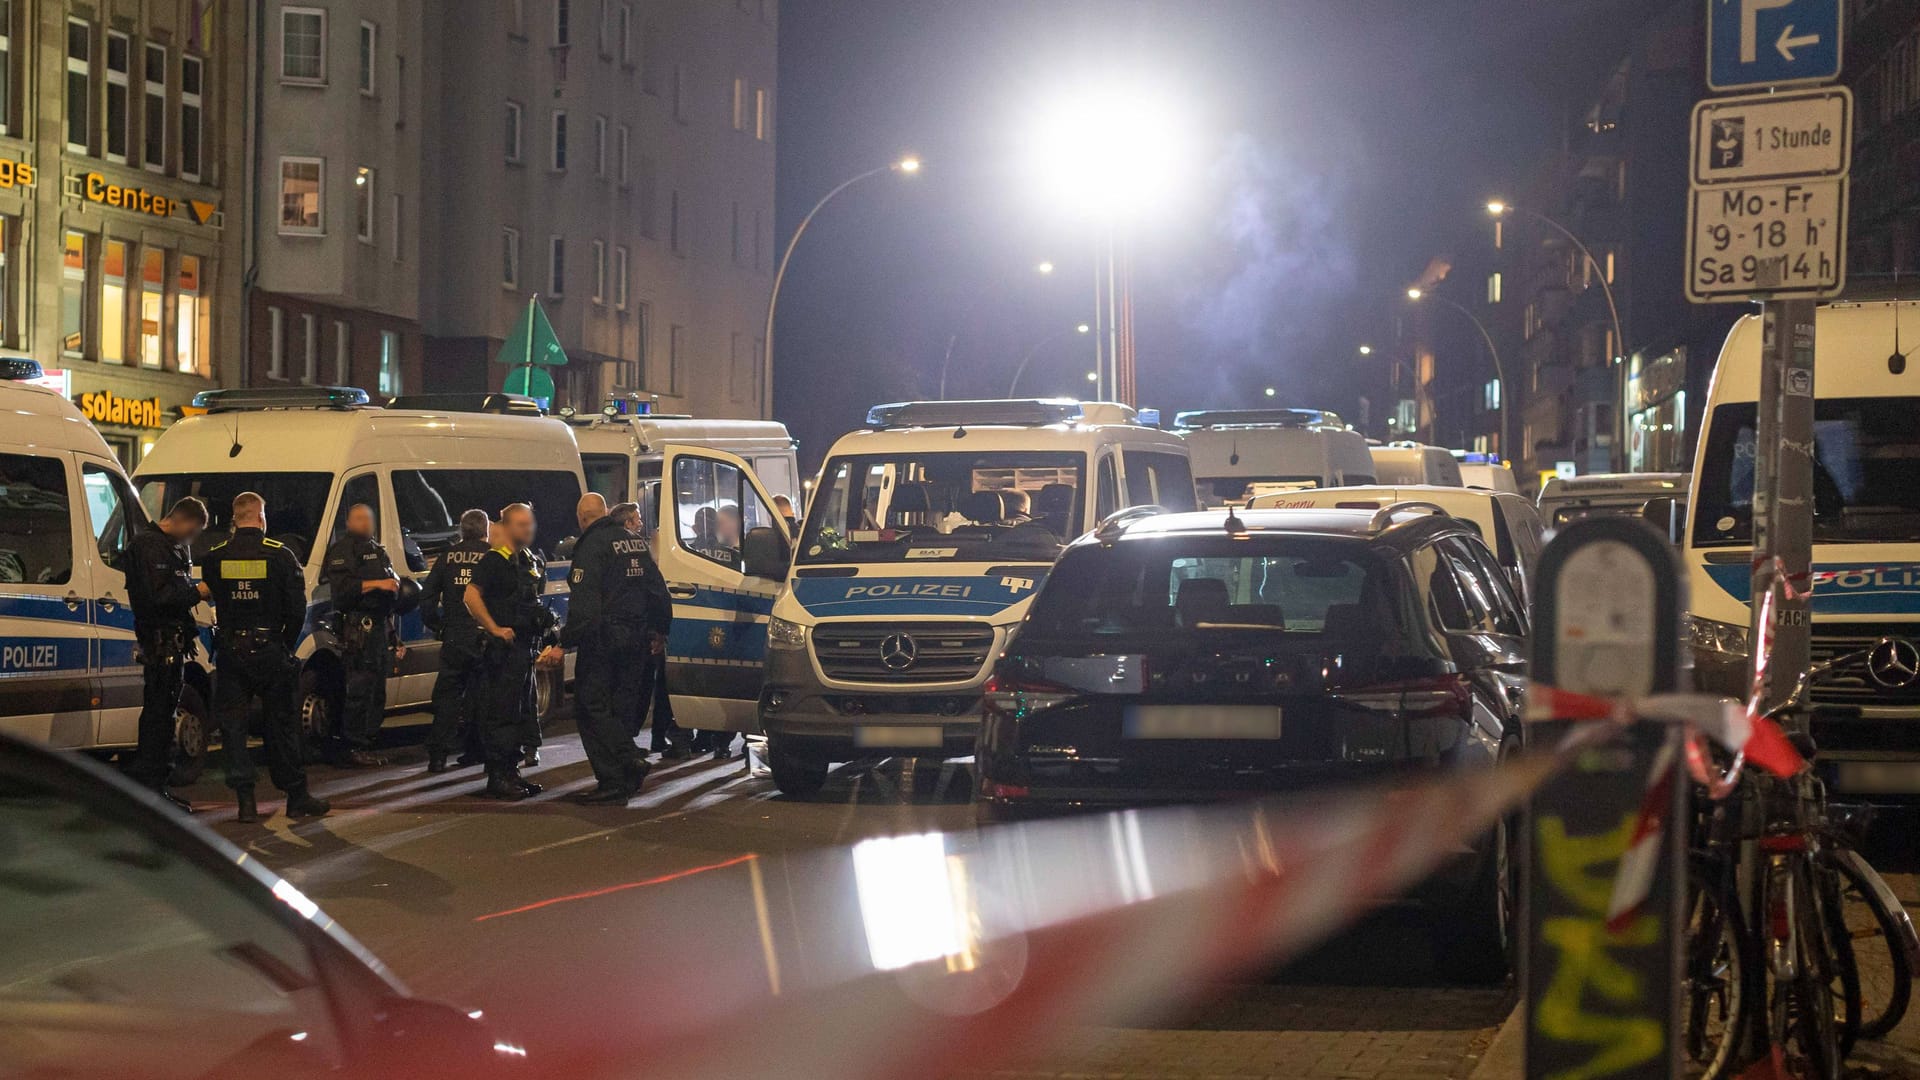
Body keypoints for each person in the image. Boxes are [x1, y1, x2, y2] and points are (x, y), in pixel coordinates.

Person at [200, 493, 331, 823]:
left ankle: (246, 801)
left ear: (234, 518)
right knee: (282, 725)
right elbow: (297, 609)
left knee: (233, 728)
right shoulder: (281, 555)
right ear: (260, 517)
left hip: (231, 652)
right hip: (271, 649)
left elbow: (214, 597)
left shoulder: (215, 558)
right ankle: (296, 796)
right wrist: (283, 644)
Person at [558, 494, 655, 803]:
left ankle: (618, 771)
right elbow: (656, 588)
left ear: (582, 518)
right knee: (619, 708)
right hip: (637, 639)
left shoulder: (591, 546)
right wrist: (659, 630)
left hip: (603, 640)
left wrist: (565, 642)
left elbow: (585, 604)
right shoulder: (634, 541)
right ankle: (627, 776)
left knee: (590, 707)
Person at [466, 503, 561, 800]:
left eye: (530, 523)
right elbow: (470, 596)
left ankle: (512, 773)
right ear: (505, 526)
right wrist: (494, 628)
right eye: (521, 524)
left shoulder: (526, 559)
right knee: (502, 715)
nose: (528, 529)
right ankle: (498, 777)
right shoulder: (494, 560)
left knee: (520, 715)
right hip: (502, 653)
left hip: (523, 650)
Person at [123, 496, 211, 812]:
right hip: (159, 646)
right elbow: (158, 598)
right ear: (183, 521)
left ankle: (157, 786)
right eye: (193, 532)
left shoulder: (169, 547)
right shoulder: (149, 546)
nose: (192, 539)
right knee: (158, 718)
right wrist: (197, 592)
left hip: (171, 645)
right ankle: (151, 790)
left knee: (163, 716)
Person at [322, 504, 399, 767]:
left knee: (377, 690)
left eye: (368, 518)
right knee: (359, 689)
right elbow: (343, 591)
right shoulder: (343, 550)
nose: (365, 523)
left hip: (379, 628)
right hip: (358, 629)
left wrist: (392, 634)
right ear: (349, 522)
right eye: (359, 518)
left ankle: (367, 743)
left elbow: (392, 587)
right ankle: (352, 746)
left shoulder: (377, 550)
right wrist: (378, 584)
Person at [420, 508, 492, 773]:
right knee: (483, 698)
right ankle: (479, 752)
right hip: (484, 635)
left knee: (448, 698)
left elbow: (426, 598)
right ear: (486, 530)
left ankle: (438, 757)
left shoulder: (447, 557)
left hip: (455, 636)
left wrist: (438, 626)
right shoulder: (492, 556)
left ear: (461, 530)